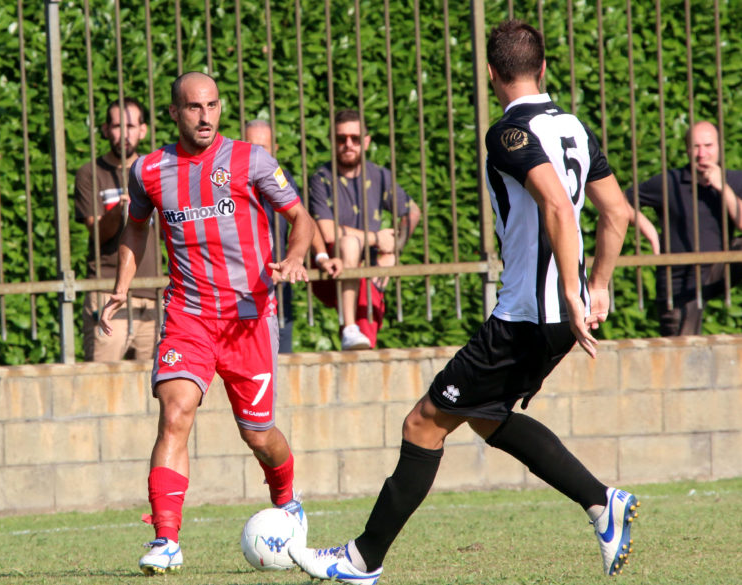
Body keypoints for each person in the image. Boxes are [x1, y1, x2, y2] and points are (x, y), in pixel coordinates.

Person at [290, 20, 639, 583]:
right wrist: (597, 287)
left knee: (423, 423)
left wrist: (574, 295)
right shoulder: (573, 127)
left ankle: (361, 560)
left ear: (492, 74)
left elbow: (554, 205)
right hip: (555, 318)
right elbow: (617, 213)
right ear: (543, 68)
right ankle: (602, 503)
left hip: (527, 315)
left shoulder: (507, 134)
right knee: (486, 417)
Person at [99, 72, 315, 575]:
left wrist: (296, 256)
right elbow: (135, 230)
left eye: (212, 105)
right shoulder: (149, 170)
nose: (205, 116)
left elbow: (299, 217)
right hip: (188, 317)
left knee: (259, 436)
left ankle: (286, 499)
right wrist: (122, 287)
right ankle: (165, 539)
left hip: (248, 318)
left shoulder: (250, 160)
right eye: (194, 107)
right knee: (175, 413)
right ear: (174, 113)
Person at [309, 109, 421, 350]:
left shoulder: (380, 175)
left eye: (355, 138)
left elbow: (412, 212)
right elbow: (328, 233)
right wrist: (376, 238)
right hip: (331, 266)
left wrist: (393, 249)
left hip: (368, 266)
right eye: (341, 139)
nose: (348, 144)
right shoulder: (321, 178)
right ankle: (348, 327)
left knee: (366, 333)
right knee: (350, 243)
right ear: (332, 141)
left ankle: (360, 347)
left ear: (366, 141)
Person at [627, 120, 742, 336]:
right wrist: (648, 229)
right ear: (688, 149)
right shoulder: (669, 182)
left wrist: (722, 186)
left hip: (718, 268)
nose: (702, 154)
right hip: (679, 278)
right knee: (679, 347)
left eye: (708, 146)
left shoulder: (734, 180)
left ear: (718, 146)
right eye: (696, 147)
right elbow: (621, 200)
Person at [245, 119, 343, 353]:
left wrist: (321, 257)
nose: (257, 153)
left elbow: (303, 219)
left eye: (264, 147)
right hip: (243, 291)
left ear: (274, 149)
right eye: (251, 146)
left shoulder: (283, 178)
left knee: (281, 362)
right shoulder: (232, 181)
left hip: (279, 290)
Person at [74, 97, 160, 361]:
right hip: (107, 293)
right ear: (105, 129)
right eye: (117, 126)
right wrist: (121, 210)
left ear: (143, 130)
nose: (124, 134)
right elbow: (97, 234)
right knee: (102, 385)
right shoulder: (90, 173)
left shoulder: (154, 171)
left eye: (131, 126)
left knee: (156, 387)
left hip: (152, 294)